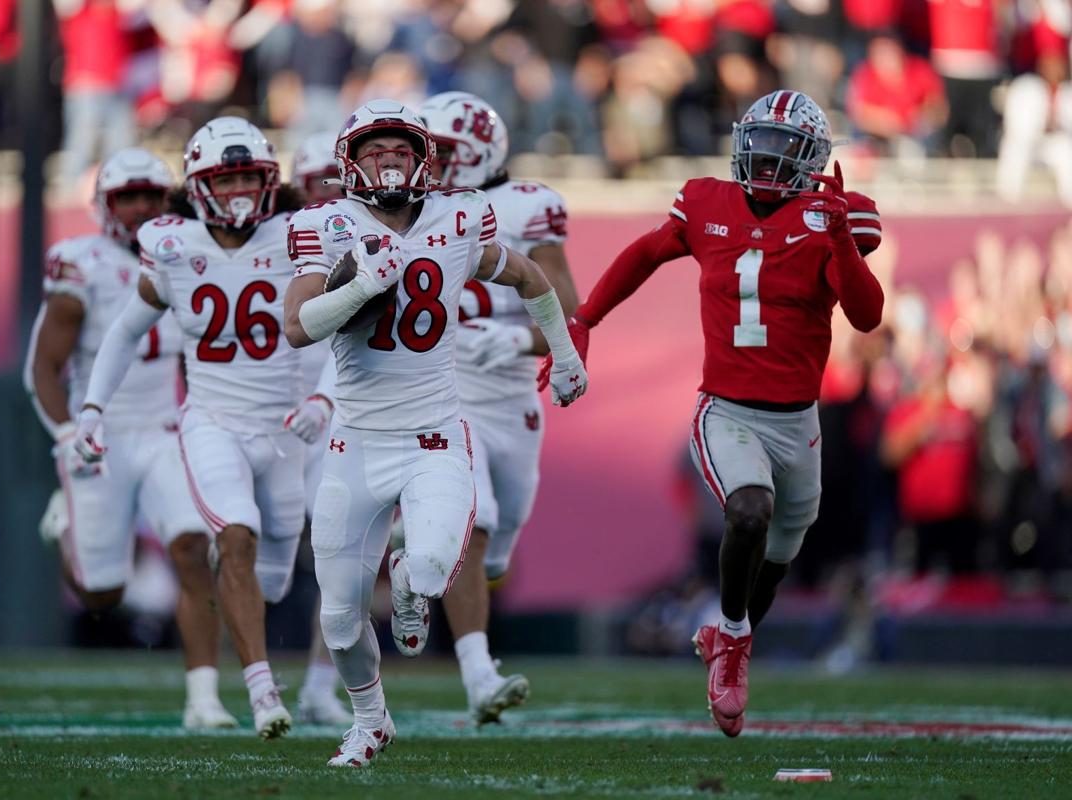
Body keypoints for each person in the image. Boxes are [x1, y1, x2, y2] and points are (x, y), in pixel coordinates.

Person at [553, 90, 883, 737]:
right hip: (729, 411)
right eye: (760, 140)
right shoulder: (705, 201)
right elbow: (647, 253)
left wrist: (841, 237)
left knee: (780, 552)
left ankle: (734, 634)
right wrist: (586, 317)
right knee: (749, 509)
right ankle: (731, 645)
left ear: (812, 158)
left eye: (785, 146)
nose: (767, 155)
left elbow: (867, 315)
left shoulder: (834, 214)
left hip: (800, 421)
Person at [282, 98, 588, 766]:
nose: (389, 162)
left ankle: (415, 585)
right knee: (338, 617)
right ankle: (370, 721)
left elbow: (532, 278)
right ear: (349, 163)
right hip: (355, 442)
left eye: (401, 150)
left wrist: (563, 355)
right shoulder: (325, 223)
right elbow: (300, 324)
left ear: (423, 160)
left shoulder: (460, 215)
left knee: (429, 563)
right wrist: (360, 286)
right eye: (374, 151)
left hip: (435, 436)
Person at [71, 118, 306, 740]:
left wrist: (329, 401)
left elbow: (348, 324)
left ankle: (251, 657)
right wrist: (91, 409)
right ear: (199, 187)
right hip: (211, 423)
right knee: (234, 540)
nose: (235, 192)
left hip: (284, 429)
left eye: (246, 178)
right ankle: (260, 692)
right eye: (223, 179)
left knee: (273, 578)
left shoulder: (300, 236)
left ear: (269, 182)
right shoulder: (173, 244)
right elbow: (125, 330)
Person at [25, 147, 237, 730]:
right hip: (102, 432)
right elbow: (42, 368)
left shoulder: (193, 252)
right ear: (105, 205)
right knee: (101, 594)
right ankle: (66, 520)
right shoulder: (80, 262)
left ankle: (203, 699)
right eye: (129, 197)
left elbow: (201, 354)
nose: (143, 208)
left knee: (195, 550)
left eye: (152, 196)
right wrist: (68, 431)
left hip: (165, 428)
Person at [416, 91, 579, 724]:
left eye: (446, 151)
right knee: (473, 521)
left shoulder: (526, 207)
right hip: (441, 392)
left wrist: (520, 337)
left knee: (499, 543)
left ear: (483, 151)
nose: (433, 163)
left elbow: (565, 307)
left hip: (511, 397)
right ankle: (479, 674)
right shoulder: (411, 210)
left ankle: (417, 560)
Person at [279, 131, 351, 726]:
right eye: (316, 180)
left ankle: (319, 682)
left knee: (339, 553)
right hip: (266, 416)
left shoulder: (364, 236)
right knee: (257, 557)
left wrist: (326, 398)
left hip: (335, 414)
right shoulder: (266, 238)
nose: (326, 193)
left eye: (336, 177)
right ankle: (252, 675)